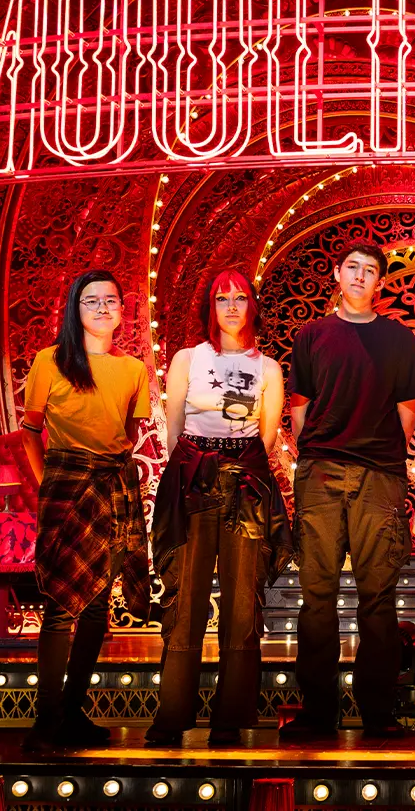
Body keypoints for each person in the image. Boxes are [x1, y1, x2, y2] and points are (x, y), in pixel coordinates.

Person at [146, 270, 294, 747]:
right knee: (184, 598)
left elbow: (267, 435)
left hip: (246, 479)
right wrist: (195, 464)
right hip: (193, 476)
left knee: (241, 602)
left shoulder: (268, 368)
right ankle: (172, 717)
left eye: (240, 298)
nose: (231, 306)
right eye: (221, 298)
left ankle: (230, 720)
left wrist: (235, 462)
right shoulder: (189, 358)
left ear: (253, 306)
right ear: (210, 306)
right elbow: (172, 427)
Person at [287, 242, 415, 736]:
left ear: (380, 284)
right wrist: (316, 449)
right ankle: (318, 712)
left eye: (371, 272)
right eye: (353, 269)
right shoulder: (315, 335)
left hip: (379, 477)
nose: (361, 277)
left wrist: (383, 455)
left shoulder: (398, 338)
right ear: (337, 275)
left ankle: (378, 713)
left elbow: (408, 407)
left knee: (378, 598)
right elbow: (299, 402)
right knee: (317, 595)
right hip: (321, 473)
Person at [19, 269, 152, 752]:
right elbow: (31, 431)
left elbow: (128, 436)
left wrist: (108, 470)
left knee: (98, 604)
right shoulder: (49, 361)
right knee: (59, 607)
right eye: (90, 301)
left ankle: (71, 711)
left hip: (113, 485)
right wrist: (46, 482)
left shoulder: (133, 370)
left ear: (123, 310)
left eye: (110, 300)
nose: (101, 308)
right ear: (75, 310)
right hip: (65, 483)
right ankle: (46, 719)